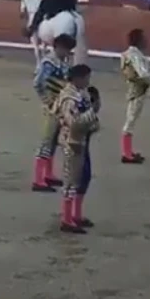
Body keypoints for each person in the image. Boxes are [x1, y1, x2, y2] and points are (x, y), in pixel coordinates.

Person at [52, 63, 100, 234]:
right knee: (71, 180)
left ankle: (76, 215)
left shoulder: (80, 94)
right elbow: (74, 123)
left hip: (81, 141)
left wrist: (93, 113)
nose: (88, 81)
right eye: (86, 78)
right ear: (78, 79)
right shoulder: (69, 98)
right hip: (72, 142)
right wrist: (92, 111)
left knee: (83, 177)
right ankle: (67, 219)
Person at [31, 33, 74, 192]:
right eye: (67, 49)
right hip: (52, 107)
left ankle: (47, 175)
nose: (68, 53)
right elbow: (38, 83)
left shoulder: (62, 62)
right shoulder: (49, 62)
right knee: (47, 141)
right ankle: (38, 180)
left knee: (54, 141)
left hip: (60, 106)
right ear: (59, 47)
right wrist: (48, 102)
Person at [120, 28, 150, 164]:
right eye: (144, 38)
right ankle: (126, 154)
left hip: (136, 89)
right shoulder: (134, 55)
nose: (146, 40)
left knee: (131, 119)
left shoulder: (132, 54)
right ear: (139, 40)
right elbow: (143, 74)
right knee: (130, 121)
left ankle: (128, 152)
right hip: (137, 90)